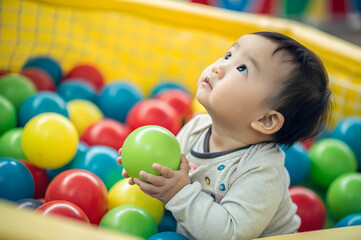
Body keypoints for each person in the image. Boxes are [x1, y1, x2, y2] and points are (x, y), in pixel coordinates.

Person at [118, 32, 332, 240]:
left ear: (266, 120)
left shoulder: (262, 171)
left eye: (242, 69)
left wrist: (177, 193)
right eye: (229, 55)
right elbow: (171, 177)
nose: (219, 67)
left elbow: (229, 233)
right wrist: (148, 174)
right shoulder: (196, 127)